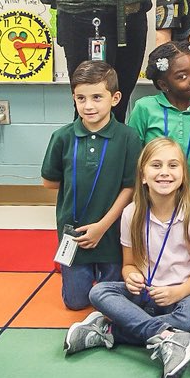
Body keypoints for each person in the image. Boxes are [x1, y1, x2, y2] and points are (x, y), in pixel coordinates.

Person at [64, 137, 190, 378]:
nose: (164, 172)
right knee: (100, 292)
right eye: (156, 166)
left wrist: (178, 292)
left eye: (173, 166)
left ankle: (110, 331)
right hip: (145, 293)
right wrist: (130, 276)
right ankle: (168, 336)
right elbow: (129, 264)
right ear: (143, 175)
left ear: (183, 175)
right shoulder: (131, 212)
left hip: (184, 293)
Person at [42, 61, 142, 310]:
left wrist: (102, 226)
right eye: (81, 98)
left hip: (112, 234)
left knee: (113, 302)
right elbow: (50, 181)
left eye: (97, 97)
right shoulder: (62, 137)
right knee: (76, 303)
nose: (88, 106)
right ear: (73, 98)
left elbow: (130, 188)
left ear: (115, 98)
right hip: (73, 235)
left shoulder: (128, 137)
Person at [128, 42, 190, 234]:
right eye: (182, 76)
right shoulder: (145, 108)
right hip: (154, 205)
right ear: (163, 84)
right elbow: (133, 160)